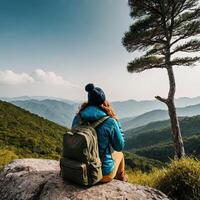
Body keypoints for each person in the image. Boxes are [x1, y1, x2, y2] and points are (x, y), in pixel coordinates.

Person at [72, 83, 128, 182]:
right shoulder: (110, 121)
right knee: (120, 154)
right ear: (103, 101)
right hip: (100, 174)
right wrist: (118, 127)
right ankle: (121, 179)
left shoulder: (78, 117)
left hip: (77, 169)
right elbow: (119, 146)